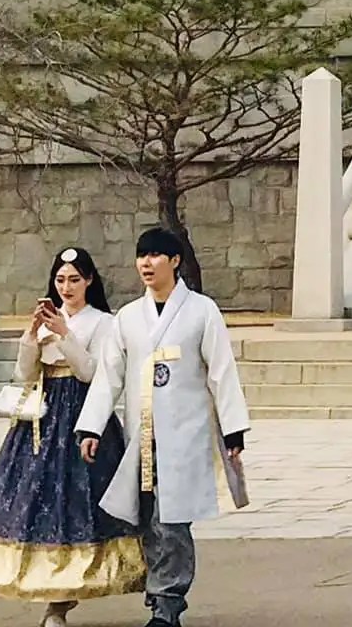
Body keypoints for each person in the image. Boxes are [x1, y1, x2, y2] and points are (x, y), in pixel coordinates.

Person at [77, 227, 251, 627]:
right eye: (142, 256)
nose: (146, 263)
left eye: (155, 255)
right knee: (147, 518)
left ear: (174, 261)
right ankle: (159, 596)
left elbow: (221, 370)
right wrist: (91, 427)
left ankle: (168, 601)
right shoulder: (128, 317)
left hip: (185, 432)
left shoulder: (202, 310)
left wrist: (233, 429)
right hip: (142, 434)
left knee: (172, 519)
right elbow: (109, 376)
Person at [0, 247, 145, 627]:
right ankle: (52, 596)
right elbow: (25, 374)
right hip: (43, 418)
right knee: (39, 501)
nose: (67, 287)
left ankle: (70, 594)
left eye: (75, 280)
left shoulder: (103, 322)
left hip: (84, 414)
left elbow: (92, 373)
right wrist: (31, 337)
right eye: (61, 279)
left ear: (89, 281)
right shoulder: (48, 319)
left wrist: (65, 335)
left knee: (80, 503)